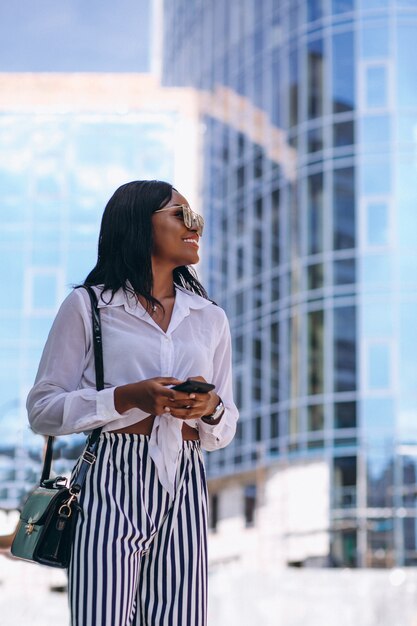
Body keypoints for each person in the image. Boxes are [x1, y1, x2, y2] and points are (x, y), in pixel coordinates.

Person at [26, 179, 238, 626]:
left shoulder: (210, 318)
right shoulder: (88, 307)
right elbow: (42, 407)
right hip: (111, 476)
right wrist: (127, 397)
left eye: (193, 216)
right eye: (179, 215)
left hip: (186, 476)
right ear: (139, 226)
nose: (193, 225)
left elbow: (224, 428)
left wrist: (210, 407)